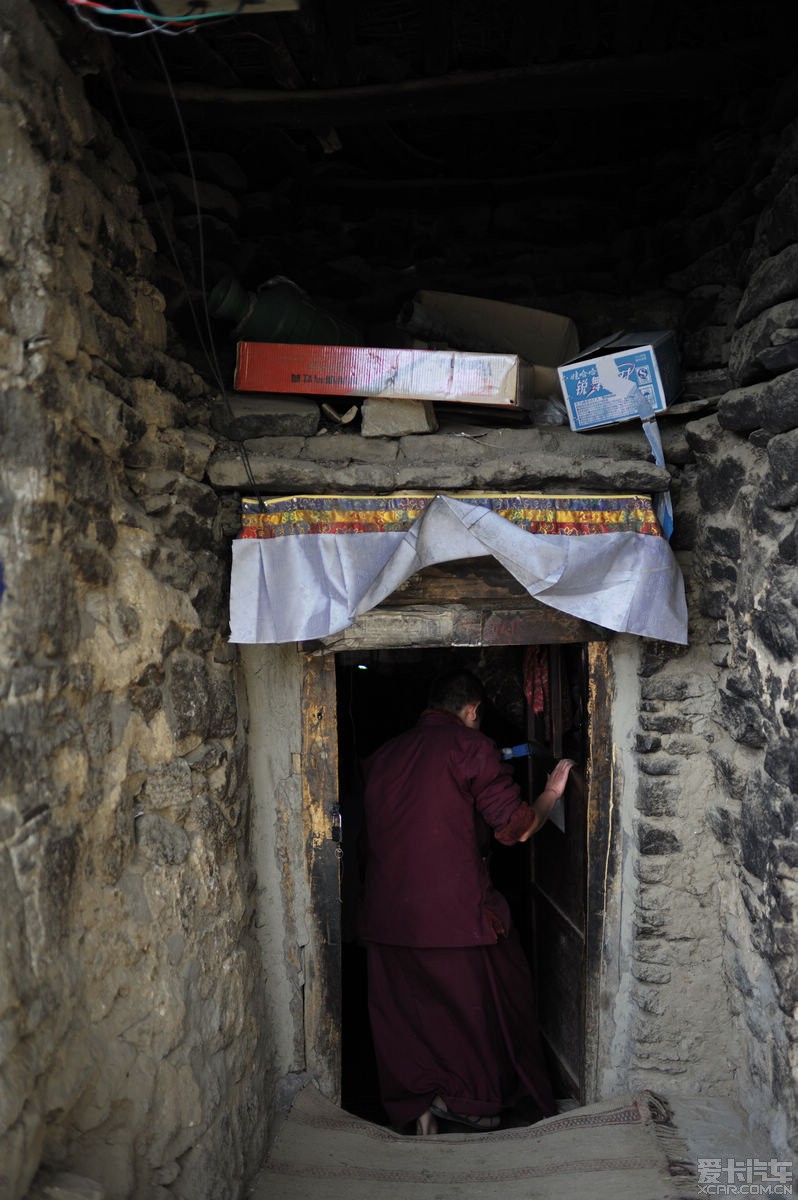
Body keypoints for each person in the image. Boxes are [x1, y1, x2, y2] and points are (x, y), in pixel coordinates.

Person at [358, 667, 575, 1136]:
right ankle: (470, 1101)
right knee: (496, 999)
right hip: (457, 917)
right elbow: (515, 828)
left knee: (405, 1016)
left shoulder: (381, 757)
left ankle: (419, 1107)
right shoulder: (469, 747)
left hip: (386, 918)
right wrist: (550, 795)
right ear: (472, 711)